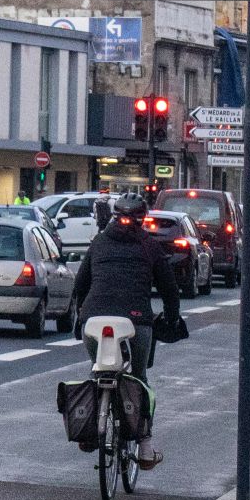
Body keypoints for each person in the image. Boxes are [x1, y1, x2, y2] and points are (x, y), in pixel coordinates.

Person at [71, 191, 182, 469]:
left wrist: (80, 315)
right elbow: (169, 289)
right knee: (139, 377)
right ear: (142, 219)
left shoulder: (98, 242)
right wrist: (172, 318)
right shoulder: (148, 245)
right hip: (135, 320)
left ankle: (89, 429)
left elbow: (80, 284)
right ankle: (145, 448)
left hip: (93, 318)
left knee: (97, 370)